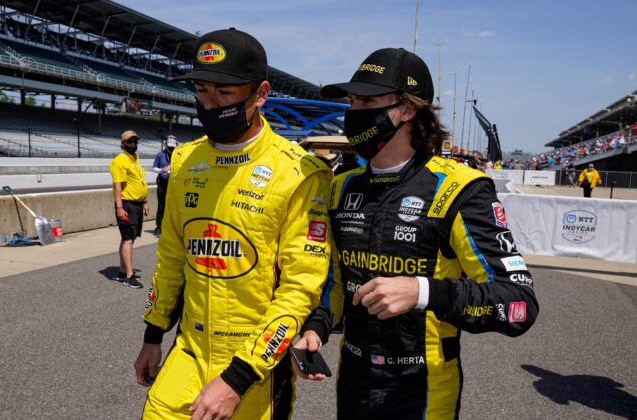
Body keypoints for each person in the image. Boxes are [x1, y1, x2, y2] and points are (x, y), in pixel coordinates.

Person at [293, 48, 539, 419]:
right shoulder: (339, 187)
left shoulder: (460, 189)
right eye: (352, 101)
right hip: (353, 380)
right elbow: (336, 280)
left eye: (367, 100)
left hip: (422, 387)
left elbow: (519, 305)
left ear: (408, 109)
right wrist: (317, 326)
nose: (354, 112)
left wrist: (422, 291)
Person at [133, 27, 333, 419]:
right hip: (187, 353)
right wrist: (153, 336)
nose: (209, 103)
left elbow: (300, 289)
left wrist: (237, 378)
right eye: (201, 90)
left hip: (252, 370)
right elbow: (172, 258)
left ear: (260, 94)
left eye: (224, 93)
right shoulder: (185, 161)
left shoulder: (299, 173)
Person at [109, 130, 149, 288]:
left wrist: (144, 201)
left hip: (137, 204)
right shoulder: (119, 161)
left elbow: (138, 181)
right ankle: (129, 275)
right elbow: (118, 187)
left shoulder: (135, 159)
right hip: (127, 204)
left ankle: (121, 271)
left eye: (135, 141)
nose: (133, 144)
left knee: (128, 238)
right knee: (128, 239)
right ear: (123, 143)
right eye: (129, 141)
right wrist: (119, 207)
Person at [152, 135, 177, 236]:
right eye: (170, 147)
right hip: (163, 183)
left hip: (174, 184)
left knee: (172, 207)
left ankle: (171, 228)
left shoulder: (178, 155)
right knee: (161, 205)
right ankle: (159, 227)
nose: (171, 149)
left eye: (173, 147)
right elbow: (154, 168)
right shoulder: (160, 155)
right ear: (166, 145)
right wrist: (162, 170)